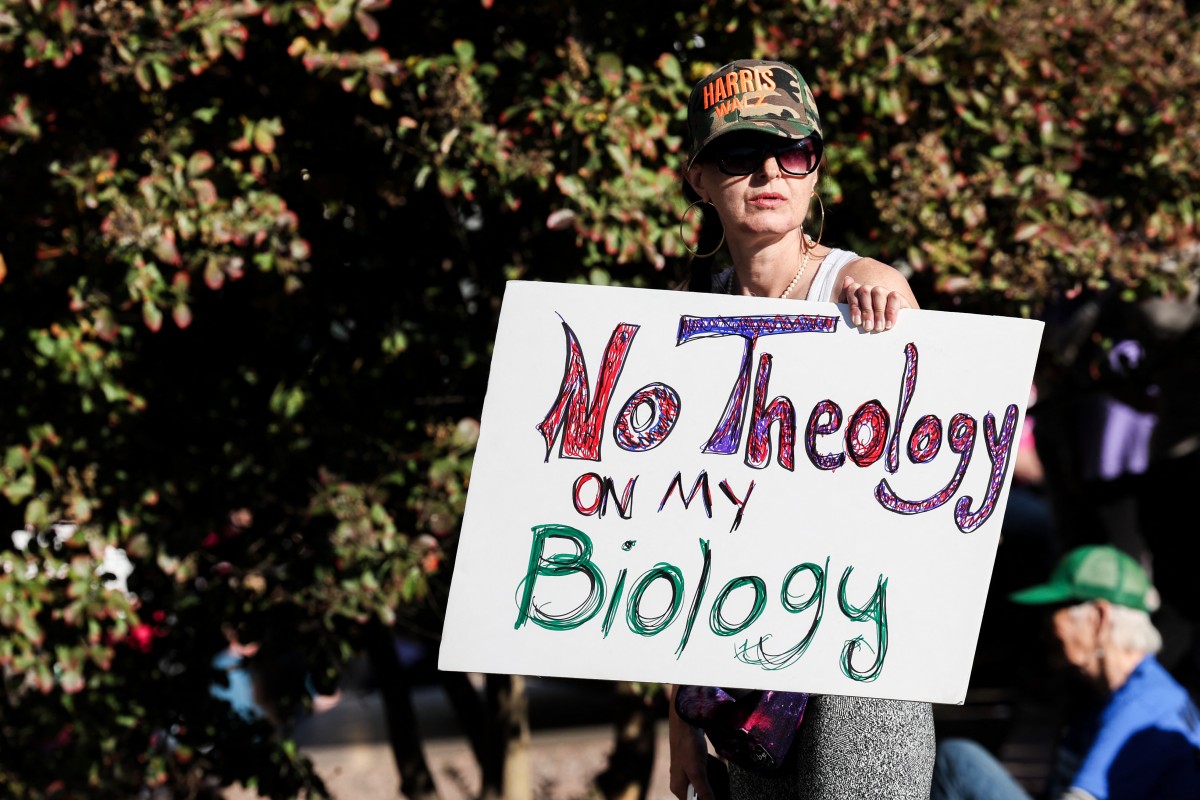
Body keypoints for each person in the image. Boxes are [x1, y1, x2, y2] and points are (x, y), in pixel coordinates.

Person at [667, 58, 934, 800]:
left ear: (815, 172)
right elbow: (678, 533)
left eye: (794, 153)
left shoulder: (863, 295)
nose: (770, 174)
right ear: (699, 179)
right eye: (741, 156)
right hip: (742, 672)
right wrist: (678, 714)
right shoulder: (692, 320)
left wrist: (879, 285)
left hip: (860, 673)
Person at [930, 544, 1200, 800]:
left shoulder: (1145, 705)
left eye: (1055, 608)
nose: (1046, 627)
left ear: (1099, 617)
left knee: (957, 759)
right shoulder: (1131, 692)